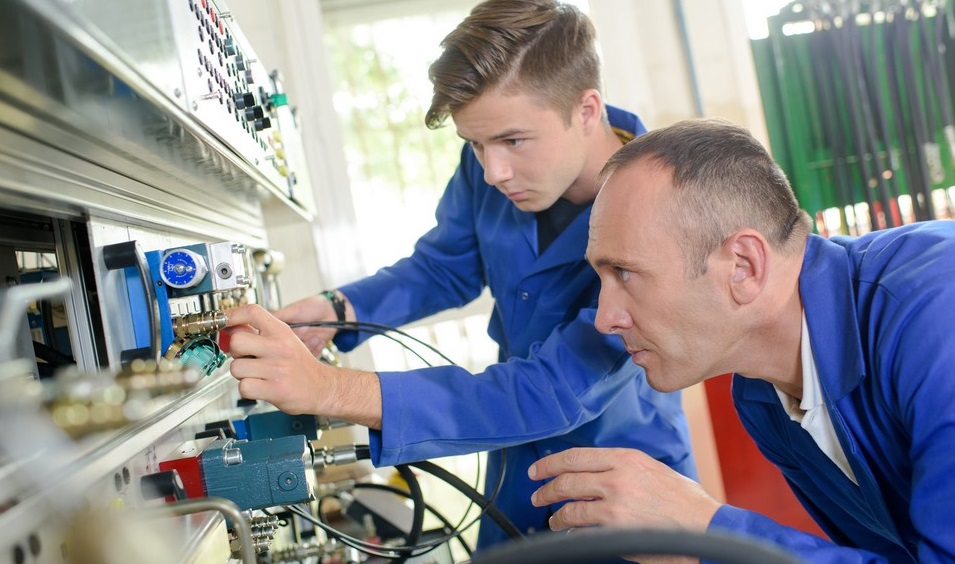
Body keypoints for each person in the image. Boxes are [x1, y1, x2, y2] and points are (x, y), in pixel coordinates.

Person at [224, 0, 697, 552]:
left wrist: (330, 389)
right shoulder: (492, 162)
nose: (493, 172)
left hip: (619, 484)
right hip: (514, 471)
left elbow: (551, 390)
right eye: (474, 143)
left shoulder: (660, 212)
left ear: (586, 109)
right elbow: (443, 268)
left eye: (513, 141)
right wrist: (340, 308)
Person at [527, 117, 955, 563]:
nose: (605, 319)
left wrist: (705, 533)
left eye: (625, 273)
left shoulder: (937, 310)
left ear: (743, 266)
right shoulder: (762, 397)